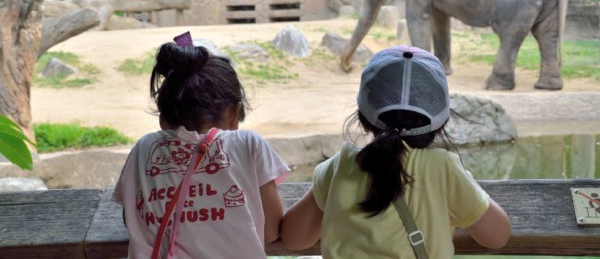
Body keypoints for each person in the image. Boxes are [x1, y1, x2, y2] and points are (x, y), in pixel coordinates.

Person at [281, 45, 511, 258]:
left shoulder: (340, 166)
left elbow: (294, 238)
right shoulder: (443, 168)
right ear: (440, 123)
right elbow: (497, 237)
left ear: (363, 118)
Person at [112, 31, 289, 259]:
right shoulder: (248, 144)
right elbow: (271, 230)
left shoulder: (144, 149)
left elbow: (133, 219)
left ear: (162, 118)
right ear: (234, 113)